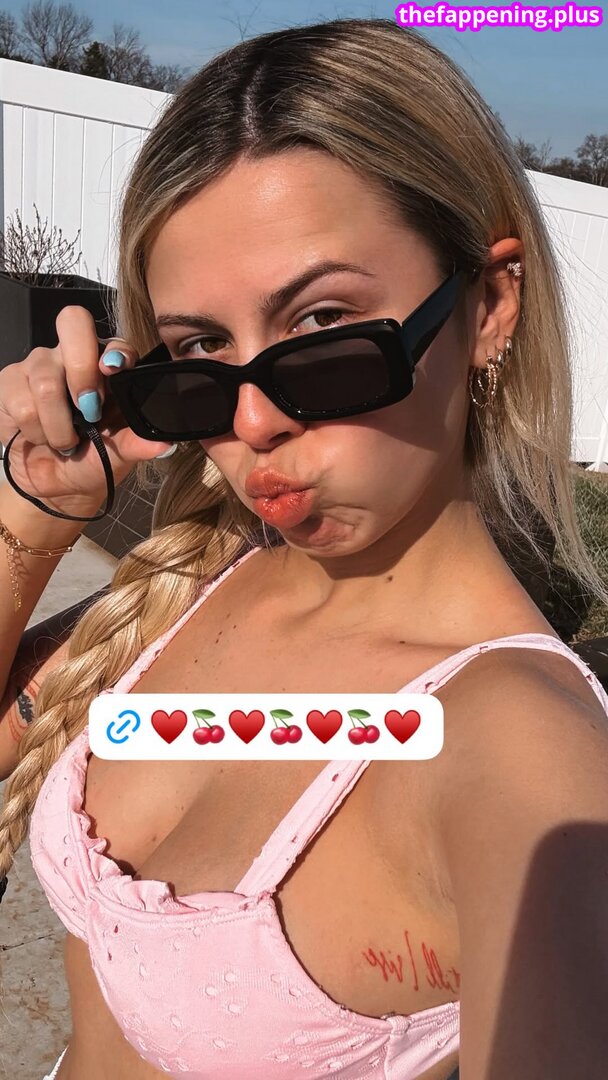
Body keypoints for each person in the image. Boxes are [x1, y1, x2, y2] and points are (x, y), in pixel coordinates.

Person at [0, 16, 607, 1080]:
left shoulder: (520, 756)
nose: (252, 422)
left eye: (322, 327)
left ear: (487, 307)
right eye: (201, 349)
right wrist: (32, 524)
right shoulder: (198, 587)